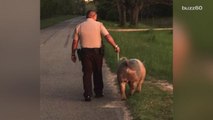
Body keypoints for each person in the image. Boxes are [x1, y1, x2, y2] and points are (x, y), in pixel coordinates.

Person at [71, 10, 120, 102]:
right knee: (97, 71)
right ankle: (98, 92)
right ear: (94, 16)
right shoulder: (99, 25)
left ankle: (87, 95)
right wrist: (115, 46)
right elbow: (107, 36)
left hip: (85, 53)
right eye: (96, 16)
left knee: (87, 73)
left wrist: (73, 54)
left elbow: (75, 42)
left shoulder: (79, 26)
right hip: (97, 53)